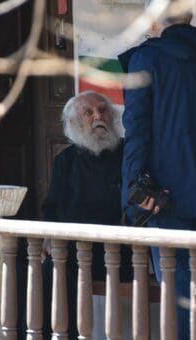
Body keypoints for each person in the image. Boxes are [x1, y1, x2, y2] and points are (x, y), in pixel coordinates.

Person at [118, 11, 196, 340]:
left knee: (177, 288)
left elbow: (136, 132)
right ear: (190, 17)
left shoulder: (147, 58)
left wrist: (132, 194)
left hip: (162, 195)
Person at [41, 91, 133, 339]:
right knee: (44, 267)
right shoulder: (66, 161)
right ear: (73, 124)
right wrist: (49, 237)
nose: (98, 116)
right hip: (76, 253)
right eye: (88, 112)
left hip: (120, 253)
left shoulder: (128, 155)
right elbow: (52, 208)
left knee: (61, 263)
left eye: (103, 111)